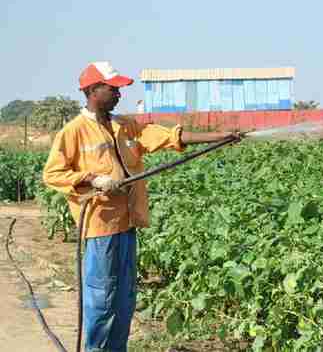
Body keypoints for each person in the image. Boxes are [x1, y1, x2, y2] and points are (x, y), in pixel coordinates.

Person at [42, 61, 237, 352]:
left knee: (125, 298)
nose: (120, 94)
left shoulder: (126, 126)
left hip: (128, 222)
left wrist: (219, 137)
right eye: (113, 88)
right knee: (102, 296)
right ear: (93, 91)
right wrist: (93, 179)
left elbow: (168, 137)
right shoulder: (74, 132)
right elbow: (53, 174)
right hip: (100, 227)